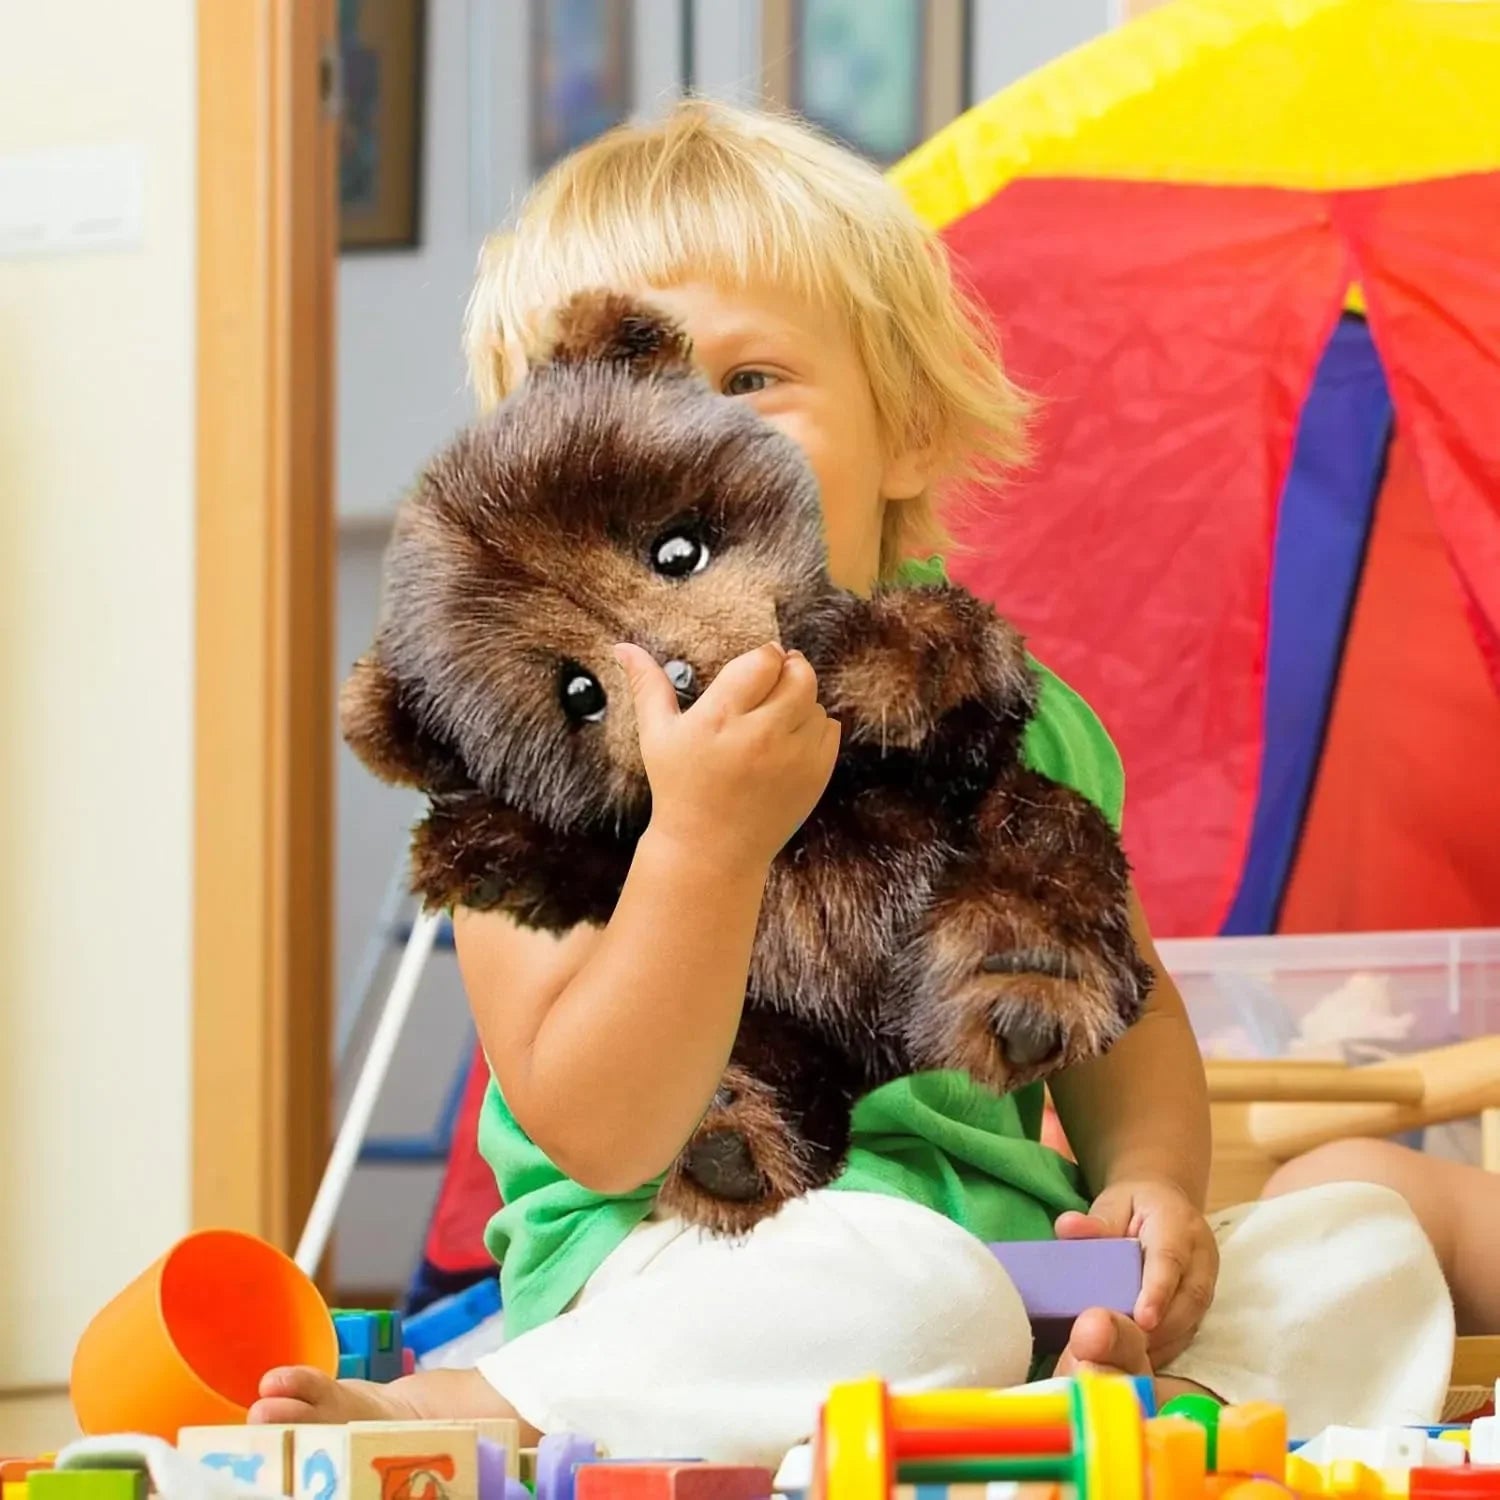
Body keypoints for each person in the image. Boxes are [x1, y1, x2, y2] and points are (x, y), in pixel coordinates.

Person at [253, 100, 1482, 1463]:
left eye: (749, 378)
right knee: (908, 1294)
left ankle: (1087, 1413)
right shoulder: (535, 751)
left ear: (905, 431)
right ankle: (506, 1396)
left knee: (1360, 1244)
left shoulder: (1001, 716)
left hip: (1016, 1276)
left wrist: (1149, 1190)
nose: (687, 441)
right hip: (708, 1268)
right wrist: (705, 845)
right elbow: (600, 1136)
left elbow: (1121, 1014)